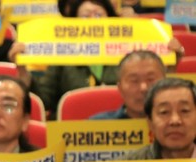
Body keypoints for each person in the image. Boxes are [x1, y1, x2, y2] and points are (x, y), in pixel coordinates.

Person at [32, 0, 183, 117]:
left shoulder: (131, 53)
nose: (93, 21)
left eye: (98, 15)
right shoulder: (61, 56)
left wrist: (171, 65)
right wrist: (23, 73)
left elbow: (154, 92)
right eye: (85, 16)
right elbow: (44, 100)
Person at [90, 51, 166, 120]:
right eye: (134, 81)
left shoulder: (172, 125)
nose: (143, 88)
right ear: (120, 88)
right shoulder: (98, 125)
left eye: (150, 79)